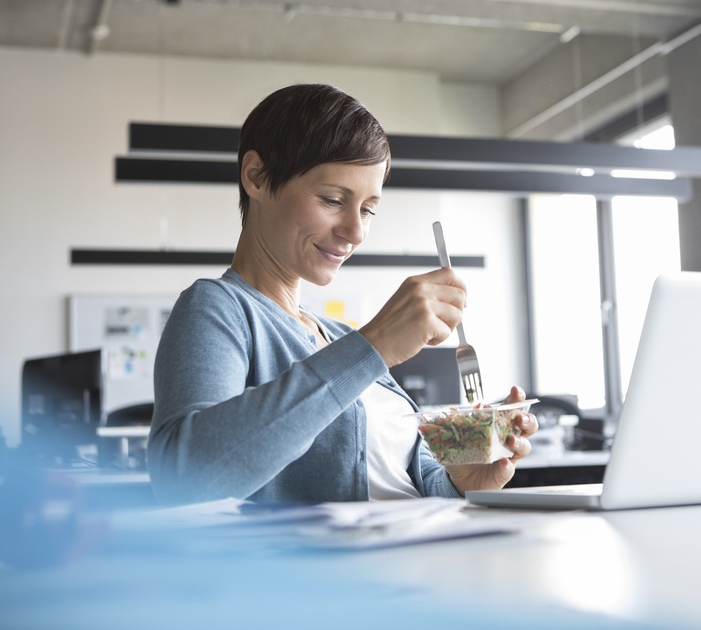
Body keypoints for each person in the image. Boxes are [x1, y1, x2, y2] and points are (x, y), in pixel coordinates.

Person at [148, 83, 538, 506]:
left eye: (368, 209)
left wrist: (462, 481)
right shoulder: (219, 310)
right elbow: (184, 479)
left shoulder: (338, 336)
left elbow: (400, 487)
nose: (355, 231)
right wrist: (373, 345)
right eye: (333, 199)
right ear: (256, 177)